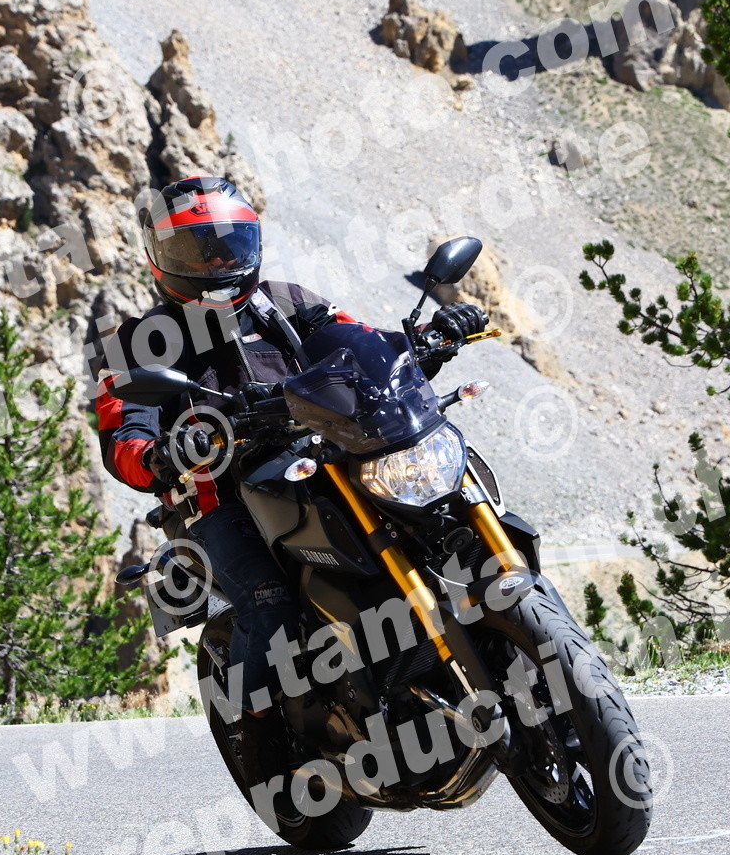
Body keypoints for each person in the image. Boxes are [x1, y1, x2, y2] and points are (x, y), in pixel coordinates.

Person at [91, 176, 487, 777]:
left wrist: (426, 339)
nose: (218, 263)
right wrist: (157, 455)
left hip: (325, 459)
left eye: (229, 246)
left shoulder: (286, 301)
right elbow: (123, 430)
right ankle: (259, 739)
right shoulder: (141, 342)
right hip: (219, 496)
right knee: (268, 603)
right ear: (163, 258)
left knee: (432, 514)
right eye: (199, 251)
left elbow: (359, 344)